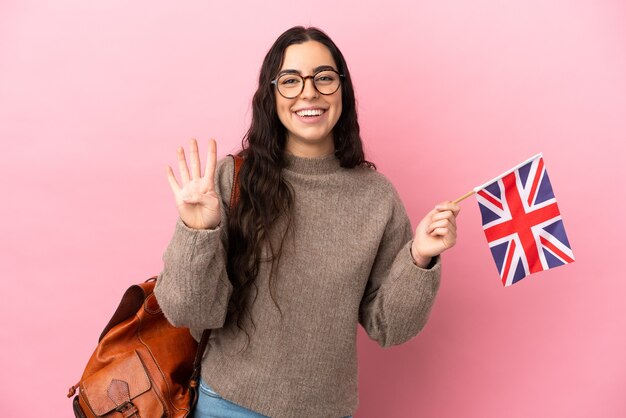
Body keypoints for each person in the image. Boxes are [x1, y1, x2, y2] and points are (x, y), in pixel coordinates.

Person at [155, 26, 460, 418]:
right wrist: (198, 234)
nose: (309, 92)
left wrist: (419, 258)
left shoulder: (376, 197)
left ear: (342, 90)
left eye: (324, 78)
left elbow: (390, 327)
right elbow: (188, 312)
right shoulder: (230, 180)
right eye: (291, 80)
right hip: (227, 405)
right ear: (271, 94)